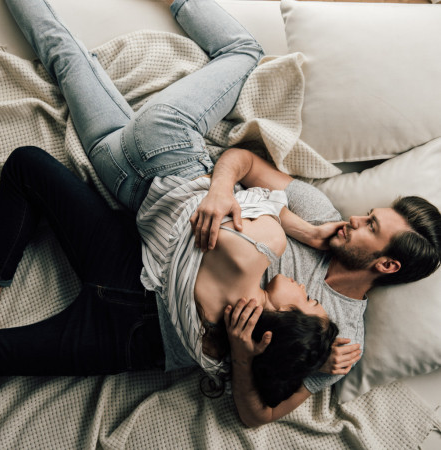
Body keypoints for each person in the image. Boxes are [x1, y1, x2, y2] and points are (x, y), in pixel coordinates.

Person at [0, 0, 343, 427]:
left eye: (309, 302)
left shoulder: (263, 247)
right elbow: (255, 410)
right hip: (119, 180)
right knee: (64, 59)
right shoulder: (216, 358)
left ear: (280, 322)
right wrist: (279, 360)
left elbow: (258, 191)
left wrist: (297, 227)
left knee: (244, 51)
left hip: (166, 146)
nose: (309, 290)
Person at [189, 146, 441, 426]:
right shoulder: (321, 215)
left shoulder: (341, 340)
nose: (354, 219)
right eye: (368, 214)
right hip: (177, 242)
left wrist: (242, 356)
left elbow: (258, 415)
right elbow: (243, 160)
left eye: (370, 225)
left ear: (387, 265)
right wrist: (220, 191)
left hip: (169, 329)